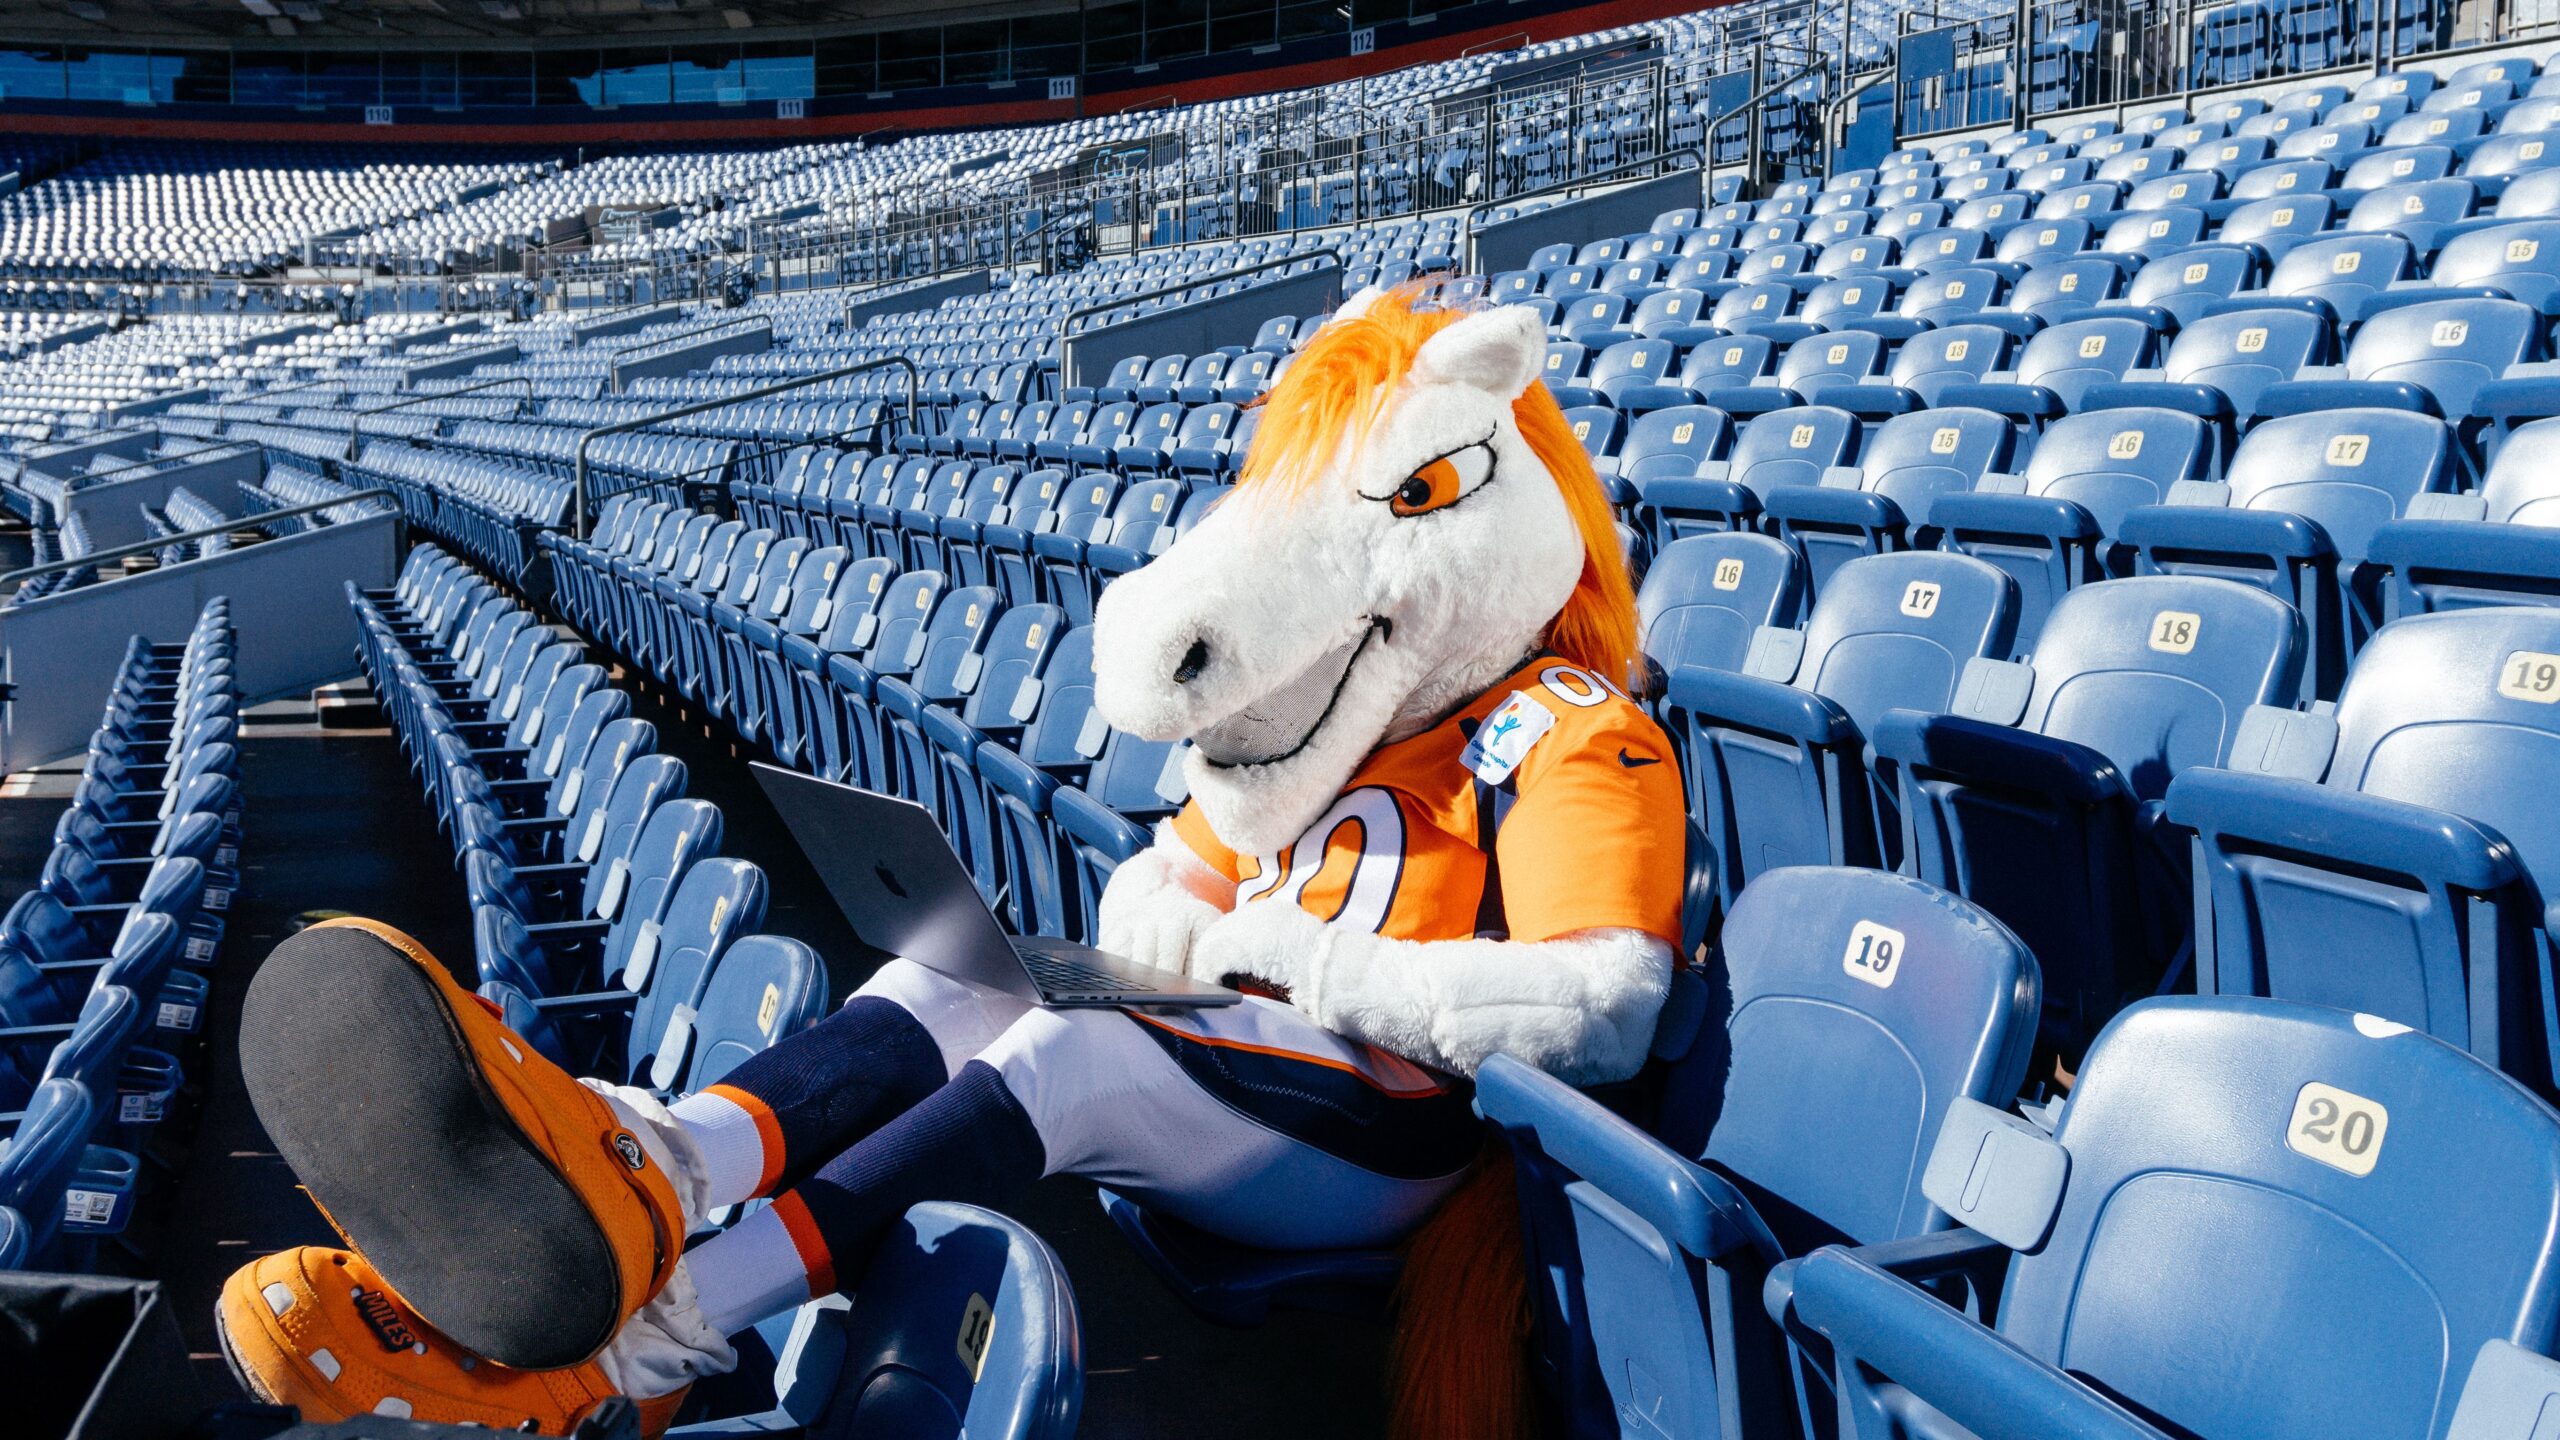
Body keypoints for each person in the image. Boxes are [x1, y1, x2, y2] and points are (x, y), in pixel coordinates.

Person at [216, 290, 1687, 1435]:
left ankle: (637, 1347)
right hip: (1262, 1066)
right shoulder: (1332, 724)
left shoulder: (1569, 730)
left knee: (1066, 1056)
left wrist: (1284, 960)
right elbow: (1178, 879)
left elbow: (1593, 1007)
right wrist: (1176, 915)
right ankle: (656, 1170)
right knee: (953, 973)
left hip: (1394, 1144)